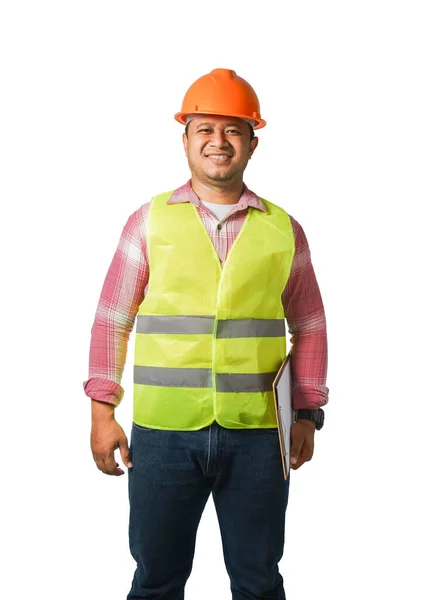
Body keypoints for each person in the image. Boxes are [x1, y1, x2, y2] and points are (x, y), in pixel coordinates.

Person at [84, 68, 329, 600]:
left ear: (252, 142)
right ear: (186, 139)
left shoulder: (284, 229)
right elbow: (112, 317)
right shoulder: (148, 222)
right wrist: (102, 412)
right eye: (205, 129)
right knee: (156, 581)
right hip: (163, 435)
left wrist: (308, 412)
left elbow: (309, 325)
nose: (219, 142)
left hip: (260, 437)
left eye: (234, 130)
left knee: (258, 581)